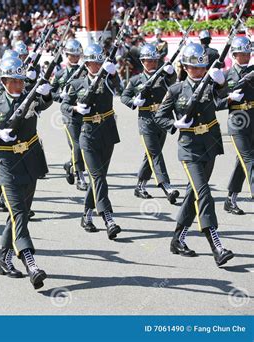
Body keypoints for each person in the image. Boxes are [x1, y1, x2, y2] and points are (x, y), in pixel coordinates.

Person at [0, 56, 52, 289]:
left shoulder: (31, 99)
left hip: (30, 161)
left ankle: (4, 259)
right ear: (4, 81)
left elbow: (46, 102)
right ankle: (31, 263)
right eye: (13, 81)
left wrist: (45, 92)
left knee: (20, 214)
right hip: (7, 164)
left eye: (21, 81)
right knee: (18, 216)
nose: (18, 85)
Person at [154, 43, 234, 266]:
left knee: (194, 194)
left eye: (201, 68)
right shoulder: (176, 89)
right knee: (204, 193)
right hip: (189, 148)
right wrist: (175, 123)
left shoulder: (210, 85)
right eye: (193, 67)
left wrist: (221, 82)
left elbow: (223, 98)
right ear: (186, 67)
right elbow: (159, 117)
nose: (197, 71)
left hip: (209, 143)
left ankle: (177, 239)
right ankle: (216, 245)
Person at [61, 43, 122, 239]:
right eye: (92, 63)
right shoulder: (77, 84)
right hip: (87, 135)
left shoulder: (107, 80)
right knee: (98, 178)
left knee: (99, 178)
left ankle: (86, 215)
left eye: (99, 63)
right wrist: (76, 110)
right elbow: (64, 105)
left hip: (107, 132)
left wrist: (113, 74)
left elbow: (118, 87)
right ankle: (108, 218)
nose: (95, 66)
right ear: (86, 64)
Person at [121, 43, 180, 203]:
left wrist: (171, 72)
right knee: (155, 154)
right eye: (148, 60)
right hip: (146, 121)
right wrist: (134, 101)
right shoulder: (135, 80)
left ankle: (140, 186)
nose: (152, 63)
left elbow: (173, 82)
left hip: (162, 120)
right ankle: (166, 186)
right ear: (142, 61)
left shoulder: (163, 77)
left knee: (151, 154)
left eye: (154, 60)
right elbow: (124, 96)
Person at [218, 36, 253, 215]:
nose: (246, 56)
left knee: (242, 162)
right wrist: (229, 99)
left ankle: (230, 199)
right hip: (237, 124)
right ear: (235, 55)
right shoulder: (226, 76)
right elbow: (215, 103)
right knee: (250, 160)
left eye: (248, 53)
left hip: (253, 121)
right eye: (243, 53)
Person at [51, 39, 88, 191]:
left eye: (78, 55)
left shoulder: (85, 71)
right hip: (69, 114)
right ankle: (80, 176)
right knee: (76, 145)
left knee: (83, 146)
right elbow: (51, 93)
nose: (76, 58)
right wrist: (61, 95)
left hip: (84, 112)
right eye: (73, 55)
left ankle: (70, 165)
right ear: (67, 55)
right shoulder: (59, 74)